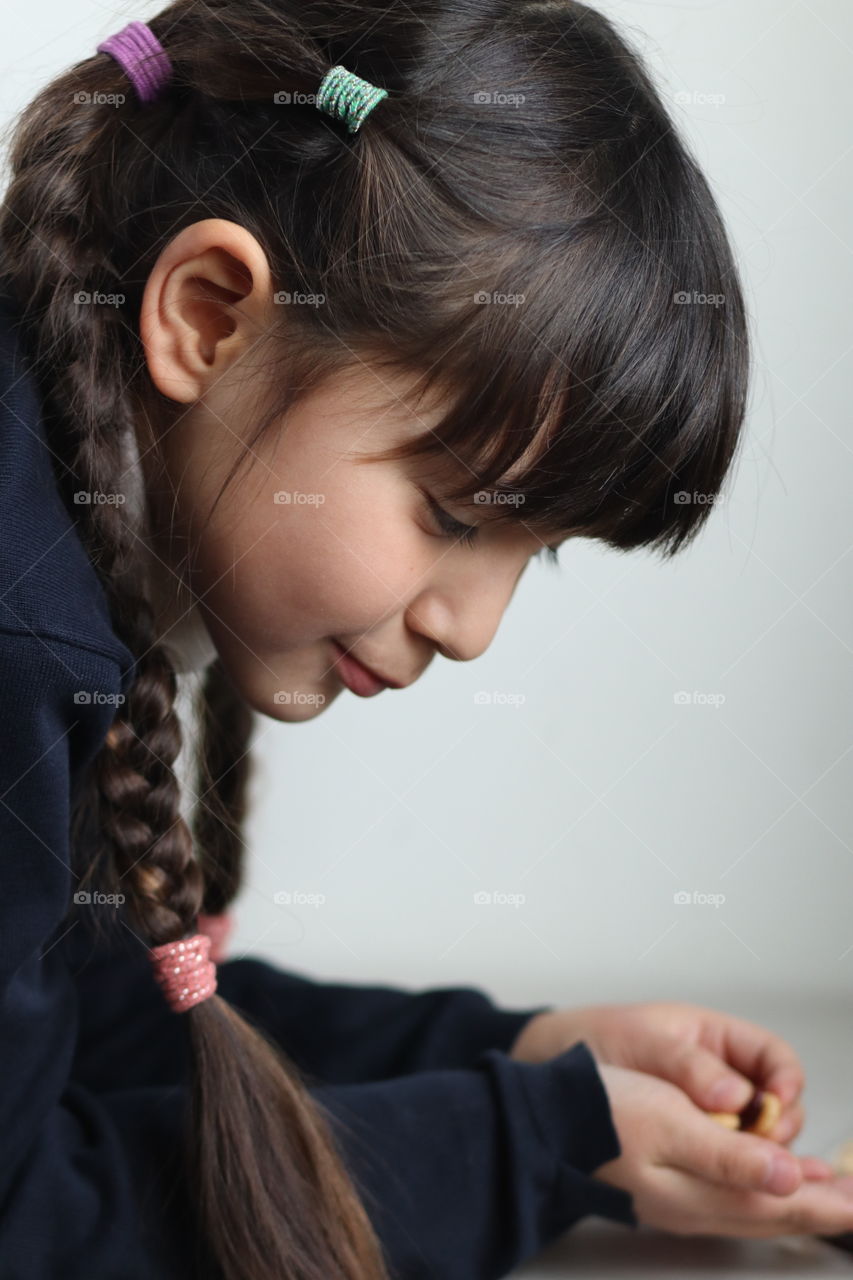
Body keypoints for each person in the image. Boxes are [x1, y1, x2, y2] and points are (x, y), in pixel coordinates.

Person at [1, 2, 852, 1278]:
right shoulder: (24, 649)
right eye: (452, 511)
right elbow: (27, 1229)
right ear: (210, 318)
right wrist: (539, 1144)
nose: (473, 628)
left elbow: (70, 1014)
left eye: (534, 546)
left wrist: (519, 1053)